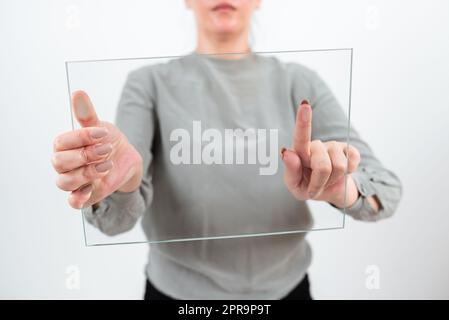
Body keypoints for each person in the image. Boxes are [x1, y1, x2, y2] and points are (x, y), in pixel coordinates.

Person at [51, 0, 402, 299]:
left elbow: (384, 190)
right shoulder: (149, 84)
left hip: (286, 291)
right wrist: (125, 182)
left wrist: (346, 189)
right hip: (176, 295)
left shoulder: (300, 82)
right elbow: (114, 221)